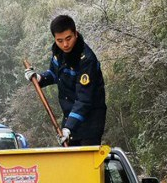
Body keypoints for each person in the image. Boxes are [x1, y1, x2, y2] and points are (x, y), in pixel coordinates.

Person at [25, 14, 107, 147]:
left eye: (68, 38)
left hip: (90, 122)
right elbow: (54, 73)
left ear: (75, 33)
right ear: (55, 39)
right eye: (60, 40)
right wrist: (39, 78)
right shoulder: (58, 51)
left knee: (85, 164)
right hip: (69, 117)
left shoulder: (87, 60)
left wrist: (68, 128)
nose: (65, 44)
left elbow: (84, 100)